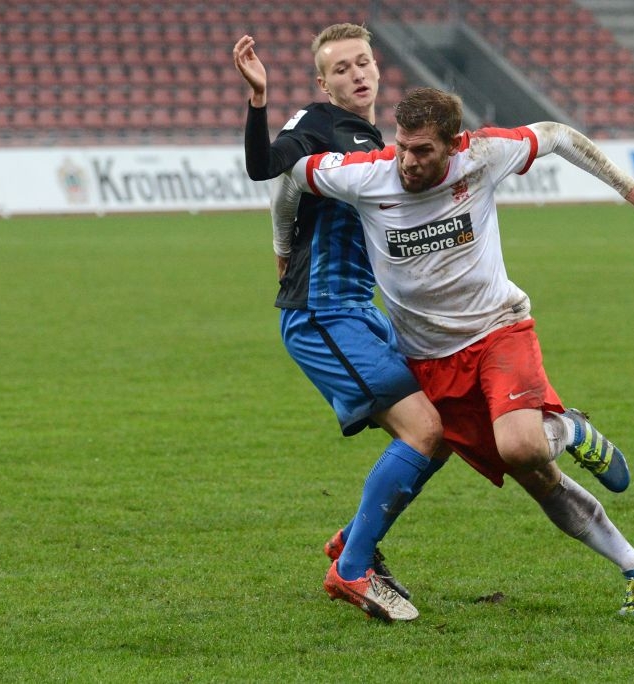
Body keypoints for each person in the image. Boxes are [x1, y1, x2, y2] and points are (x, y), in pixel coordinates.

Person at [270, 86, 634, 617]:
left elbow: (556, 136)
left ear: (454, 144)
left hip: (497, 332)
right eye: (402, 147)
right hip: (430, 359)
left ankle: (571, 429)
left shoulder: (483, 155)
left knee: (521, 448)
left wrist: (630, 190)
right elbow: (289, 174)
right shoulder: (366, 173)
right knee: (537, 477)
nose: (408, 162)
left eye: (423, 152)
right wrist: (283, 251)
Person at [233, 25, 446, 621]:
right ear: (324, 82)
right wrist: (258, 100)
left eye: (363, 63)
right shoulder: (317, 123)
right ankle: (351, 570)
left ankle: (351, 544)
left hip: (357, 311)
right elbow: (265, 169)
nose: (357, 74)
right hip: (322, 312)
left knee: (441, 427)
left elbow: (292, 202)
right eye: (342, 68)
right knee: (425, 431)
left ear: (378, 68)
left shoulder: (379, 137)